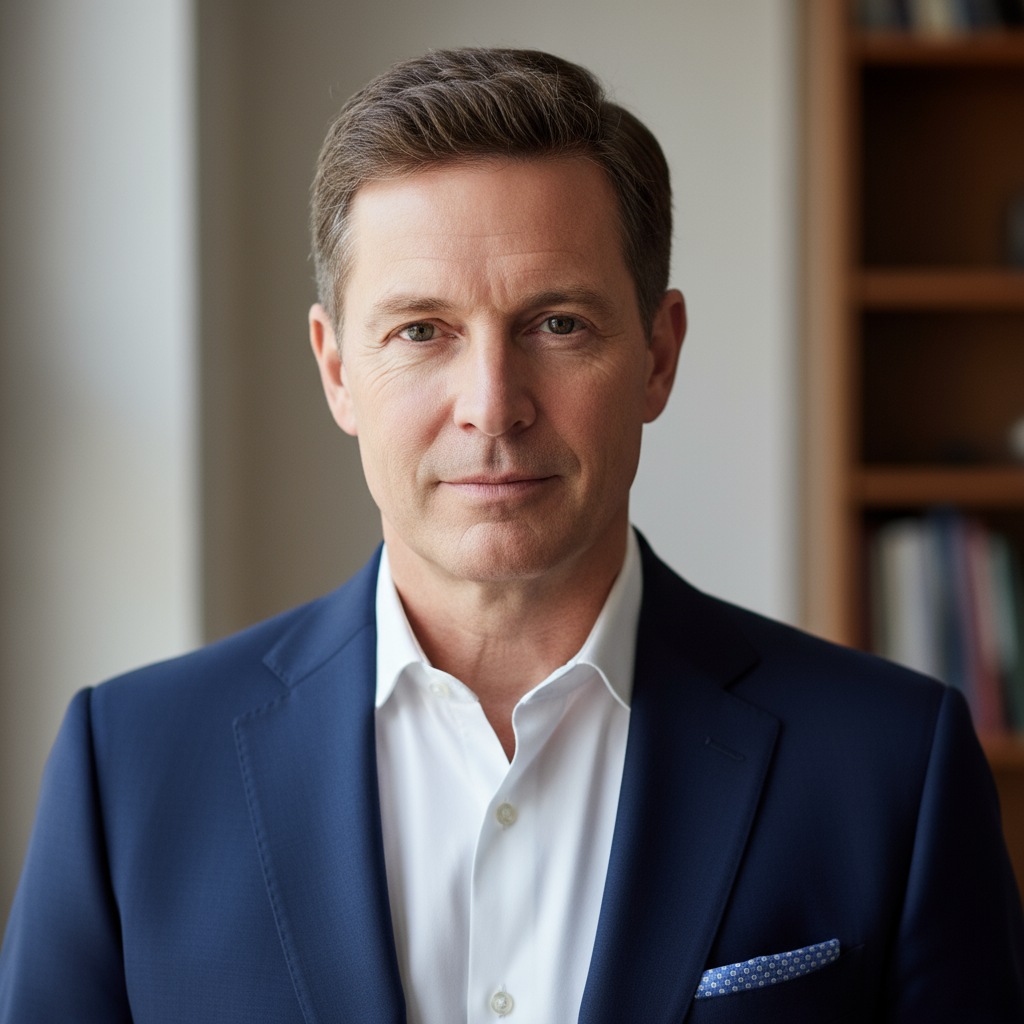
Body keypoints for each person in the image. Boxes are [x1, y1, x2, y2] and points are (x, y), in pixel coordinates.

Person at [1, 47, 1022, 1024]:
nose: (491, 406)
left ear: (658, 356)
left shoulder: (894, 766)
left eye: (557, 324)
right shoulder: (125, 769)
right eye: (420, 331)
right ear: (337, 370)